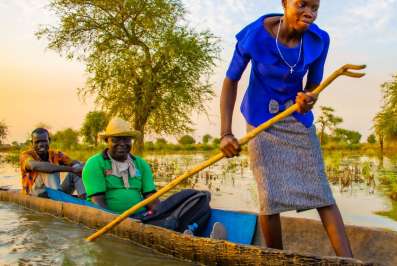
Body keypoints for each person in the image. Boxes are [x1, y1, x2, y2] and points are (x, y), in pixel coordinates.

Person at [219, 0, 353, 257]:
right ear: (284, 3)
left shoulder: (319, 40)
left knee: (321, 191)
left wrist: (308, 97)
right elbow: (231, 80)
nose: (309, 13)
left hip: (296, 118)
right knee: (269, 197)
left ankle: (348, 260)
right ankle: (276, 258)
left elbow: (313, 85)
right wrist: (226, 132)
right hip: (261, 120)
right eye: (302, 5)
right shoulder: (255, 35)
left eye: (315, 8)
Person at [82, 117, 226, 238]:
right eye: (116, 139)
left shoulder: (140, 164)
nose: (122, 144)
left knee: (199, 197)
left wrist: (162, 212)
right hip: (116, 220)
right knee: (168, 223)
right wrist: (121, 225)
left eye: (126, 139)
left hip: (144, 217)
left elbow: (150, 196)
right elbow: (98, 204)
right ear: (107, 141)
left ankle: (184, 230)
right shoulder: (94, 164)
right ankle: (179, 230)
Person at [20, 128, 86, 198]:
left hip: (55, 190)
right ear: (32, 143)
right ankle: (58, 199)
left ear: (49, 141)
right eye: (37, 142)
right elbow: (34, 166)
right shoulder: (26, 155)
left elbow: (73, 162)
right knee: (48, 169)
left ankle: (83, 199)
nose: (41, 144)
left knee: (78, 168)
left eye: (44, 141)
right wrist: (72, 169)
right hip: (35, 193)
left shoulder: (56, 154)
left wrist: (78, 167)